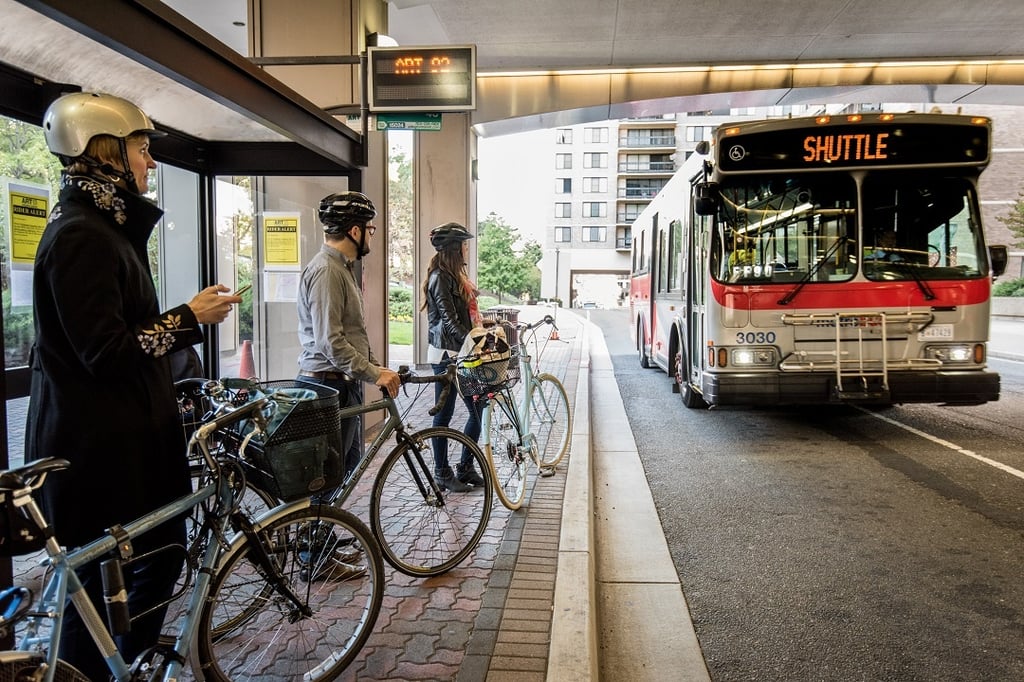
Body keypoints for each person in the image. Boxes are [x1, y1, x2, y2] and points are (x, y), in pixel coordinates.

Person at [25, 91, 241, 680]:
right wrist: (187, 319)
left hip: (118, 452)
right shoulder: (83, 236)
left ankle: (120, 666)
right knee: (103, 594)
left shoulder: (102, 227)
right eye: (142, 149)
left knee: (116, 584)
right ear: (105, 150)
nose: (150, 163)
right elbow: (105, 350)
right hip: (101, 461)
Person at [295, 191, 401, 578]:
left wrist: (376, 366)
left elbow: (351, 336)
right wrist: (374, 374)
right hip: (326, 387)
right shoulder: (327, 271)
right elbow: (330, 341)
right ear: (355, 230)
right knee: (327, 473)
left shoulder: (341, 268)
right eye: (370, 228)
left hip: (342, 383)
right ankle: (314, 559)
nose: (372, 235)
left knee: (345, 468)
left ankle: (322, 543)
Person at [422, 222, 487, 492]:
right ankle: (442, 471)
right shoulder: (439, 277)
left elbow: (464, 315)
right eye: (464, 244)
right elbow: (449, 321)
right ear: (453, 249)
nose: (467, 249)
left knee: (477, 407)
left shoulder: (454, 276)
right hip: (446, 355)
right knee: (445, 414)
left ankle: (465, 466)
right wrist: (475, 342)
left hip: (459, 353)